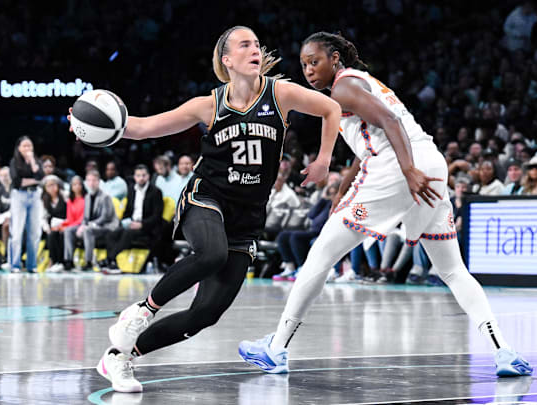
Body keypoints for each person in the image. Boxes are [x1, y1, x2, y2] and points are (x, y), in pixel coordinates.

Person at [239, 31, 531, 378]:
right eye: (303, 65)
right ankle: (504, 352)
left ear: (335, 58)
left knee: (320, 255)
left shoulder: (344, 87)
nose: (309, 71)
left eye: (314, 62)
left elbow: (390, 124)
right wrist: (341, 195)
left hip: (398, 167)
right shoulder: (360, 84)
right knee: (453, 270)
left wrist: (407, 170)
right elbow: (362, 153)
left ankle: (277, 348)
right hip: (431, 167)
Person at [69, 26, 342, 393]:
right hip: (206, 197)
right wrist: (84, 123)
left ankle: (119, 358)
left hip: (247, 217)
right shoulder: (209, 105)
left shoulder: (281, 94)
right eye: (245, 44)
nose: (255, 49)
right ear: (227, 60)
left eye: (257, 44)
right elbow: (143, 127)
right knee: (210, 253)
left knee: (205, 314)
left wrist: (324, 159)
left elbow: (331, 107)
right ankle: (141, 311)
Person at [102, 164, 162, 273]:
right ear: (135, 177)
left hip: (147, 227)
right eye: (138, 175)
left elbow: (156, 216)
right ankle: (113, 263)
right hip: (131, 223)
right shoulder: (131, 190)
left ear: (148, 176)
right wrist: (125, 222)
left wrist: (142, 224)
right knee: (112, 234)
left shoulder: (155, 192)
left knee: (128, 233)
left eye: (143, 175)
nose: (141, 178)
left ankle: (109, 259)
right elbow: (127, 211)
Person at [63, 170, 117, 271]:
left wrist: (88, 226)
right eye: (89, 181)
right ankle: (68, 261)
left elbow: (106, 217)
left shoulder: (105, 197)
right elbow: (85, 217)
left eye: (94, 180)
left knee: (88, 231)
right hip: (91, 226)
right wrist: (82, 226)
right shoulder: (87, 197)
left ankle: (88, 262)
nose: (91, 183)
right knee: (69, 230)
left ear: (98, 182)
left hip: (106, 227)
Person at [8, 136, 44, 273]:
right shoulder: (14, 162)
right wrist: (34, 180)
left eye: (30, 146)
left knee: (34, 233)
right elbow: (17, 181)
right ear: (19, 148)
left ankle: (32, 265)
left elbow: (41, 177)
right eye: (25, 146)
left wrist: (33, 162)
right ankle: (15, 265)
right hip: (19, 196)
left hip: (34, 196)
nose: (28, 149)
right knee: (17, 232)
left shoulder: (37, 161)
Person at [52, 175, 85, 272]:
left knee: (67, 231)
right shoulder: (70, 201)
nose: (77, 187)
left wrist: (67, 227)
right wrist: (61, 226)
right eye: (74, 184)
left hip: (80, 225)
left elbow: (82, 219)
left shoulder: (85, 199)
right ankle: (58, 261)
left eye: (79, 184)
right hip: (72, 225)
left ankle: (68, 260)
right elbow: (70, 218)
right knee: (55, 232)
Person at [42, 175, 67, 272]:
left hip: (65, 223)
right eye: (48, 186)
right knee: (51, 235)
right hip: (52, 226)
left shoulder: (65, 196)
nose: (51, 187)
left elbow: (70, 212)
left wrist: (64, 224)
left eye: (53, 185)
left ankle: (61, 262)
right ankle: (54, 261)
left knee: (61, 235)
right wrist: (46, 227)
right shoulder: (44, 200)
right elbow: (43, 217)